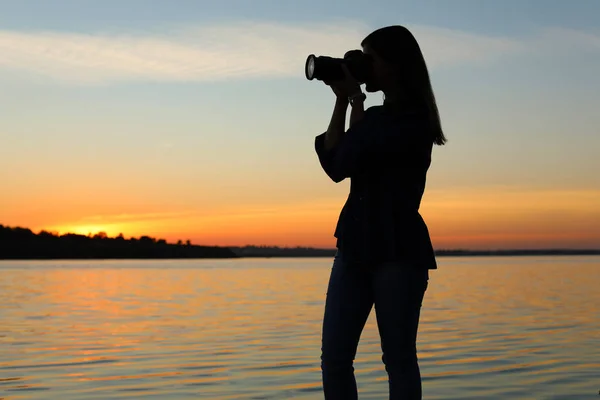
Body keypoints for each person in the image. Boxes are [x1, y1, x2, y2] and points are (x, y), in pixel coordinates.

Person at [314, 25, 447, 400]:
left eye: (370, 58)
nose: (363, 65)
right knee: (335, 359)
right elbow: (336, 166)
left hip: (398, 248)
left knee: (398, 358)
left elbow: (349, 155)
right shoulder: (374, 116)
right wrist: (344, 101)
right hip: (355, 244)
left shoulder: (413, 122)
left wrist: (355, 101)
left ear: (396, 65)